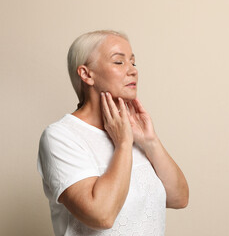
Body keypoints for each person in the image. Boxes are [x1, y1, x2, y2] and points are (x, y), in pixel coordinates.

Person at [37, 30, 189, 236]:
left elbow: (179, 198)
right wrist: (123, 144)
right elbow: (102, 215)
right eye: (119, 62)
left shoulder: (132, 130)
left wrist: (150, 141)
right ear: (86, 74)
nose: (133, 71)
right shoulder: (61, 137)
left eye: (133, 63)